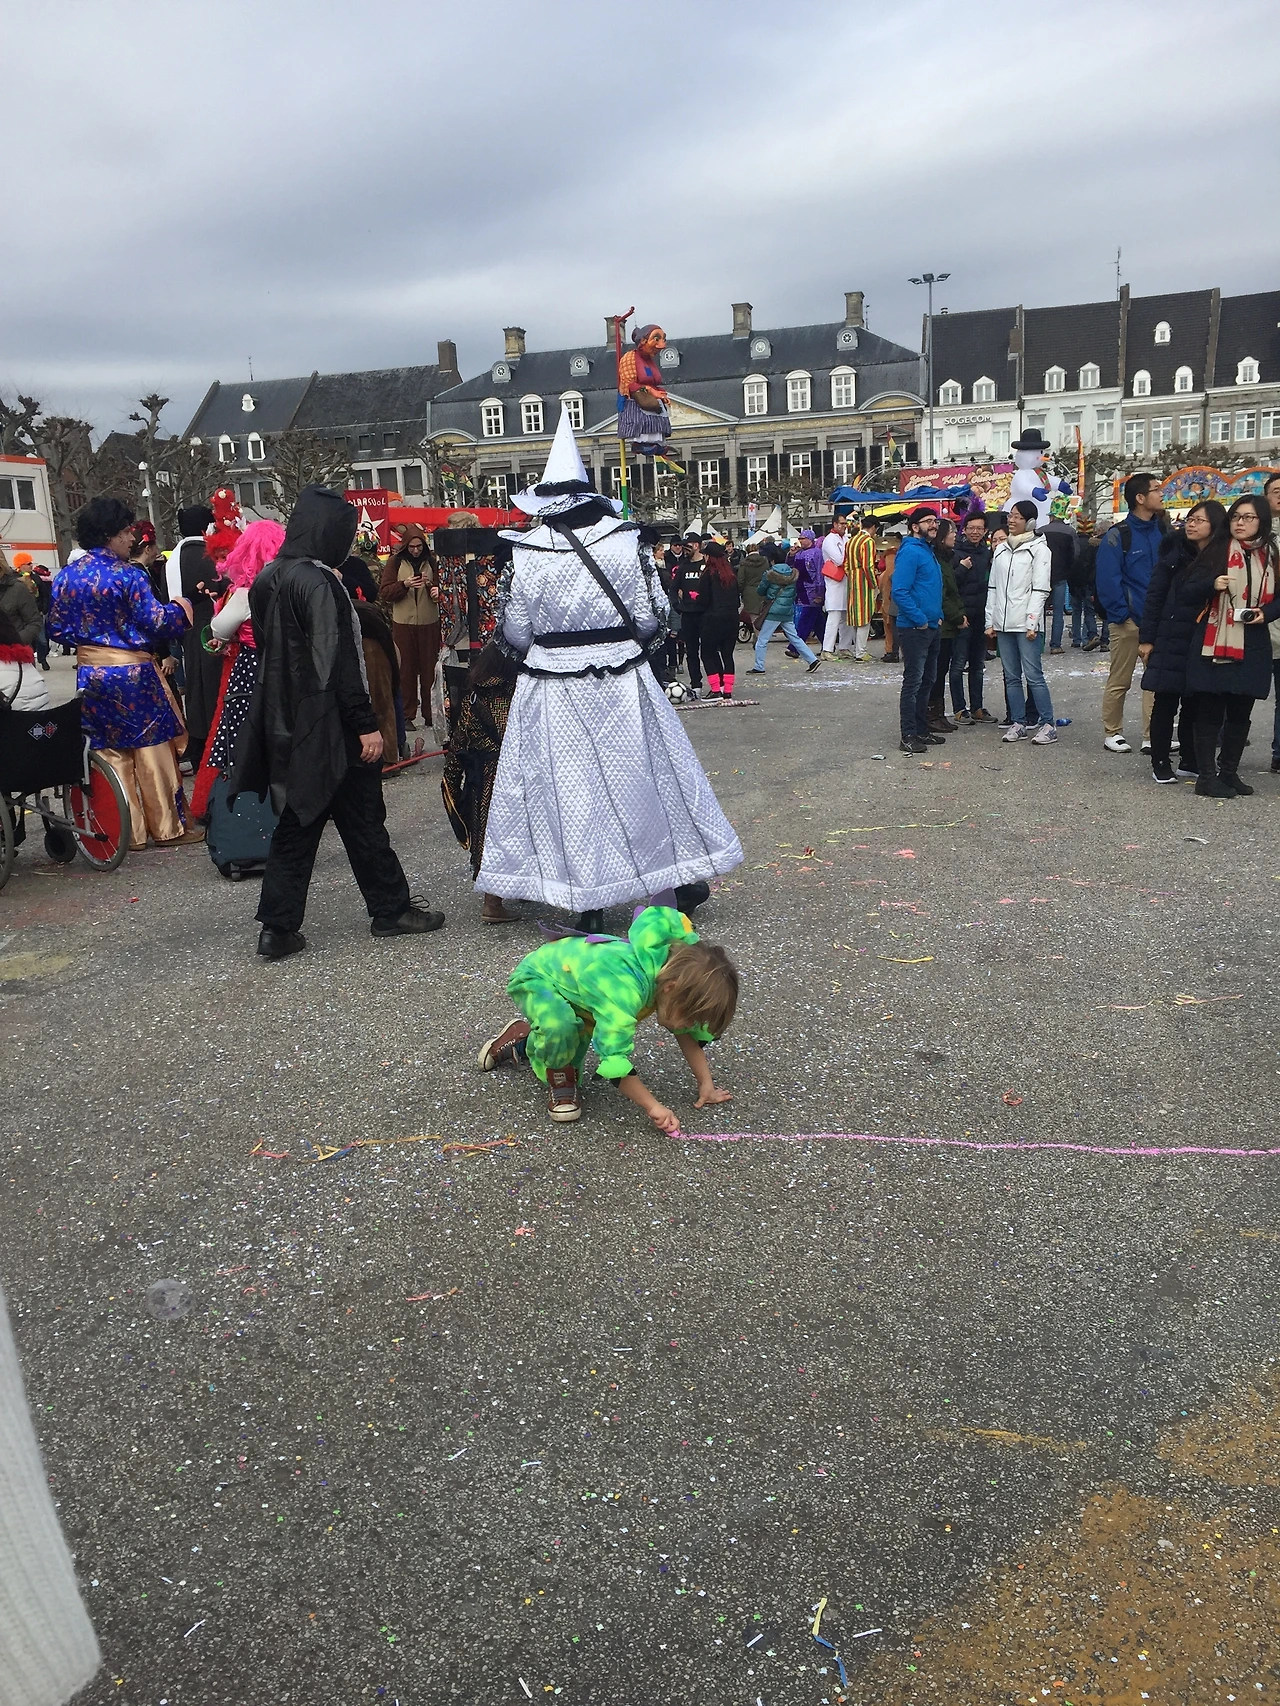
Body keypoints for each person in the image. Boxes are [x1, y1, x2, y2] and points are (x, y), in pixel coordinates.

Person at [475, 407, 743, 931]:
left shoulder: (525, 552)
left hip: (552, 683)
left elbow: (516, 632)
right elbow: (651, 618)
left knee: (569, 789)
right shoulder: (627, 541)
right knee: (645, 781)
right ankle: (674, 881)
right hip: (622, 677)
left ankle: (588, 902)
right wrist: (616, 642)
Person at [231, 485, 444, 958]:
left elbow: (271, 653)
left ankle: (279, 926)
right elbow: (339, 660)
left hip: (288, 718)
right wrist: (365, 722)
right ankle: (389, 909)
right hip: (332, 722)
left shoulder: (267, 578)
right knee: (361, 818)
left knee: (302, 820)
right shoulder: (319, 582)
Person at [477, 896, 737, 1126]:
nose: (689, 1025)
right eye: (691, 1018)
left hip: (580, 985)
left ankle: (523, 1039)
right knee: (560, 1028)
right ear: (671, 989)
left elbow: (686, 1033)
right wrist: (653, 1107)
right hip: (539, 976)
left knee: (571, 1036)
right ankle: (560, 1076)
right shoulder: (623, 989)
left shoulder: (670, 975)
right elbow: (614, 1062)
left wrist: (706, 1084)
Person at [46, 498, 199, 848]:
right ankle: (168, 827)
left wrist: (92, 642)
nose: (132, 538)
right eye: (126, 532)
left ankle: (128, 832)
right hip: (133, 674)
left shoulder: (66, 576)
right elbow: (157, 621)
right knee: (152, 748)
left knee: (110, 751)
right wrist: (184, 606)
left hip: (91, 674)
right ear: (109, 535)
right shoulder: (127, 575)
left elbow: (55, 628)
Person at [1181, 493, 1279, 797]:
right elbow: (1186, 591)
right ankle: (1206, 777)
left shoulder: (1270, 553)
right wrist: (1212, 585)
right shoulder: (1217, 550)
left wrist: (1266, 613)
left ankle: (1229, 772)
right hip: (1215, 639)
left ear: (1262, 521)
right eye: (1236, 516)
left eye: (1248, 518)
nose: (1240, 523)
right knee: (1211, 708)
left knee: (1241, 709)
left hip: (1253, 639)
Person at [190, 519, 286, 819]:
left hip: (250, 667)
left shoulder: (246, 593)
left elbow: (219, 628)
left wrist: (229, 636)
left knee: (240, 732)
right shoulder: (289, 586)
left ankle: (245, 805)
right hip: (284, 666)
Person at [1137, 500, 1228, 783]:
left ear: (1215, 525)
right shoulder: (1174, 553)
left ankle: (1190, 759)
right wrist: (1147, 639)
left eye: (1199, 520)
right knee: (1166, 699)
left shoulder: (1223, 557)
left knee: (1196, 700)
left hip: (1203, 636)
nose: (1191, 524)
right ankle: (1160, 761)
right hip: (1171, 633)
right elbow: (1155, 597)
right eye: (1190, 519)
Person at [441, 641, 520, 923]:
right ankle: (496, 903)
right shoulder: (517, 692)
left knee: (487, 835)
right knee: (519, 834)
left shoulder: (473, 698)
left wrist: (451, 785)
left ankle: (493, 899)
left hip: (483, 779)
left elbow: (458, 744)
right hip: (513, 776)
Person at [1096, 473, 1168, 754]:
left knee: (1156, 682)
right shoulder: (1118, 535)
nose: (1161, 494)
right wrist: (1121, 615)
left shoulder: (1163, 531)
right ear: (1140, 498)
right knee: (1120, 680)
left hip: (1158, 620)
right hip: (1128, 621)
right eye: (1156, 489)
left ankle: (1153, 735)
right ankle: (1112, 732)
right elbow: (1107, 580)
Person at [985, 499, 1057, 744]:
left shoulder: (1040, 550)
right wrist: (990, 620)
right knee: (1011, 676)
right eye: (1011, 516)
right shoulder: (1001, 550)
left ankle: (1048, 723)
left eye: (1017, 516)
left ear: (1031, 522)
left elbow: (1040, 589)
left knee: (1034, 675)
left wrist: (1032, 622)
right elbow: (993, 587)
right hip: (1003, 623)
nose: (1012, 520)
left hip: (1026, 625)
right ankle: (1018, 722)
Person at [168, 503, 225, 772]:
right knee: (216, 688)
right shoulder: (212, 553)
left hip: (189, 629)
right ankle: (219, 743)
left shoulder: (175, 557)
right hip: (215, 625)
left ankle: (200, 745)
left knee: (196, 690)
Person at [891, 507, 943, 753]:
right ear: (914, 526)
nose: (934, 525)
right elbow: (899, 591)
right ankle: (908, 735)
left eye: (935, 521)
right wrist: (920, 618)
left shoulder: (926, 550)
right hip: (914, 628)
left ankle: (922, 730)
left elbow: (931, 588)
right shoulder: (910, 552)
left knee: (927, 681)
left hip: (931, 627)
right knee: (913, 682)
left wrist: (938, 616)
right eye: (928, 521)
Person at [380, 524, 441, 731]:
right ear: (406, 546)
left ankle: (431, 714)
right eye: (412, 547)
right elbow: (385, 592)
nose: (416, 550)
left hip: (428, 622)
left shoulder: (432, 561)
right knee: (405, 670)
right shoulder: (395, 562)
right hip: (403, 623)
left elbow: (442, 588)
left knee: (430, 670)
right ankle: (407, 715)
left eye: (419, 546)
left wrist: (434, 588)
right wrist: (404, 585)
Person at [750, 542, 820, 673]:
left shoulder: (769, 574)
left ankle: (759, 666)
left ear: (772, 560)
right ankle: (812, 660)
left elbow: (760, 591)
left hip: (773, 611)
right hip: (787, 610)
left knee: (762, 640)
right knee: (795, 638)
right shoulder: (793, 573)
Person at [950, 512, 992, 722]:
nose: (975, 532)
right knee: (958, 664)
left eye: (979, 529)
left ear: (985, 531)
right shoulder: (955, 553)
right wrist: (962, 568)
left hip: (981, 616)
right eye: (971, 528)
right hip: (962, 617)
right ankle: (959, 708)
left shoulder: (987, 554)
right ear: (964, 530)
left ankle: (977, 707)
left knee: (977, 665)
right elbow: (950, 585)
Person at [927, 517, 962, 733]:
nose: (955, 535)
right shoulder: (937, 560)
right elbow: (942, 594)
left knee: (941, 671)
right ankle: (931, 715)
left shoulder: (947, 558)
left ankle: (938, 713)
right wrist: (957, 615)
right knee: (936, 672)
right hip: (942, 624)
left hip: (948, 625)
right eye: (952, 531)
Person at [698, 540, 740, 698]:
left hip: (713, 619)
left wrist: (695, 597)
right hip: (732, 618)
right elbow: (737, 600)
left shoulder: (708, 574)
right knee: (727, 655)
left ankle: (716, 689)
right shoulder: (731, 574)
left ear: (709, 557)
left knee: (707, 654)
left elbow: (704, 600)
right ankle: (727, 690)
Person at [669, 533, 707, 693]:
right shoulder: (683, 567)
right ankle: (696, 684)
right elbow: (672, 588)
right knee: (691, 652)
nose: (684, 548)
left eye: (687, 545)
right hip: (688, 615)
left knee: (708, 651)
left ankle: (716, 684)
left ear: (696, 545)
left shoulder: (706, 564)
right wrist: (677, 606)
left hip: (705, 614)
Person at [844, 515, 878, 660]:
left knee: (855, 617)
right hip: (863, 582)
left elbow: (846, 564)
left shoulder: (851, 541)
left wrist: (852, 575)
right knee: (865, 617)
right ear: (874, 527)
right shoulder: (868, 541)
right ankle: (861, 652)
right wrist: (874, 584)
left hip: (852, 581)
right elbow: (868, 566)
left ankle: (857, 650)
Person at [1264, 472, 1280, 775]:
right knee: (1235, 691)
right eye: (1276, 490)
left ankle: (1279, 753)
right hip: (1253, 620)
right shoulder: (1255, 532)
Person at [819, 515, 850, 657]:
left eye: (845, 523)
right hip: (834, 581)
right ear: (835, 524)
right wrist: (849, 557)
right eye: (841, 523)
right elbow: (838, 559)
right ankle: (827, 649)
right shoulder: (829, 540)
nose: (844, 526)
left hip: (846, 581)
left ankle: (844, 647)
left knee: (846, 617)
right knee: (834, 617)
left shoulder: (845, 538)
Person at [1069, 518, 1101, 650]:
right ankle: (1087, 637)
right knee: (1089, 611)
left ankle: (1076, 639)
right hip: (1088, 582)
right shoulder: (1094, 544)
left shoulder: (1074, 543)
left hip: (1074, 581)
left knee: (1076, 611)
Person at [0, 548, 41, 649]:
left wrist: (16, 641)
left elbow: (34, 622)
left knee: (43, 642)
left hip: (14, 652)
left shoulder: (17, 588)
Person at [875, 521, 900, 661]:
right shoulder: (897, 553)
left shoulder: (891, 554)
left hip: (890, 590)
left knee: (890, 622)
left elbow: (890, 573)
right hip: (892, 588)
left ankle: (891, 651)